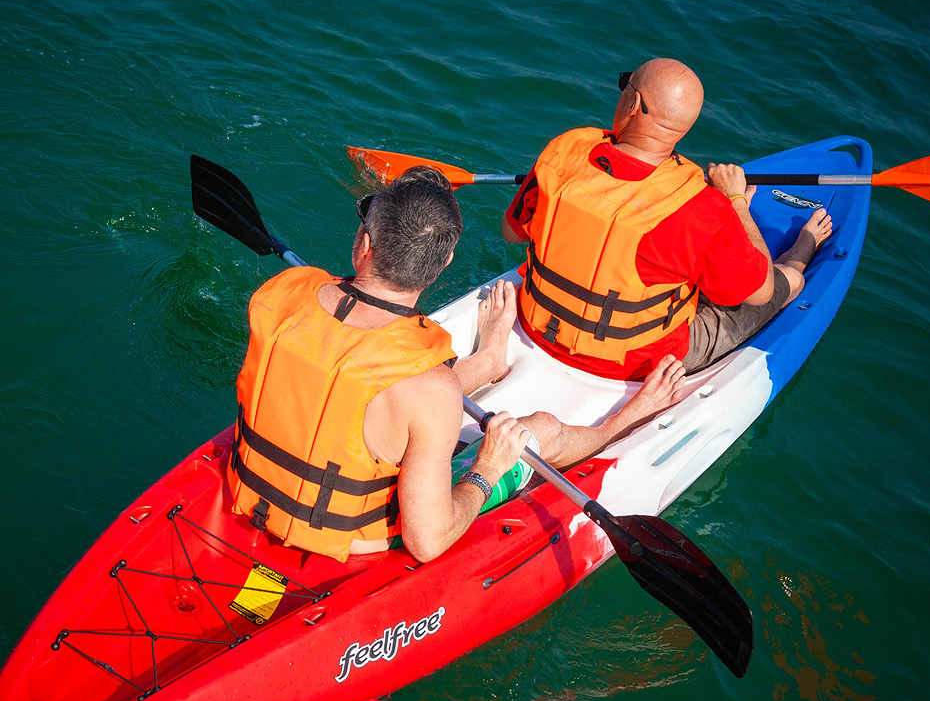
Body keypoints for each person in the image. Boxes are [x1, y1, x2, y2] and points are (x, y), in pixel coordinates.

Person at [228, 167, 683, 564]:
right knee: (537, 428)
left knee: (419, 394)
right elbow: (428, 541)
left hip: (249, 493)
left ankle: (487, 361)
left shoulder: (279, 295)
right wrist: (488, 467)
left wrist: (461, 375)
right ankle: (621, 424)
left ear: (363, 244)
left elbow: (359, 377)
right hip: (352, 538)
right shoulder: (429, 388)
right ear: (443, 262)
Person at [501, 57, 834, 378]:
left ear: (632, 103)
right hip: (636, 363)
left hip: (538, 325)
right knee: (785, 283)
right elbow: (760, 292)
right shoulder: (702, 206)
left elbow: (512, 232)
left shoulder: (564, 150)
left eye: (624, 85)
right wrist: (735, 202)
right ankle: (800, 257)